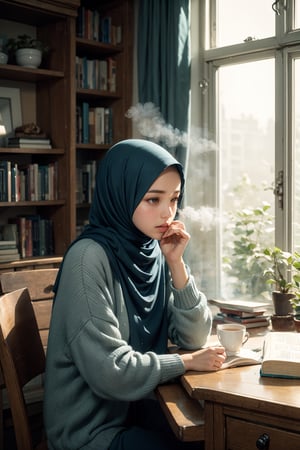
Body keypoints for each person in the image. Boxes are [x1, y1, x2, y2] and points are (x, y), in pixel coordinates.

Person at [44, 139, 226, 450]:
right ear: (122, 193)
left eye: (174, 199)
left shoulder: (150, 249)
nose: (167, 213)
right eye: (153, 199)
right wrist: (185, 363)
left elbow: (194, 336)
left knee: (217, 437)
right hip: (92, 432)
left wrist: (176, 263)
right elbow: (111, 371)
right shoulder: (87, 260)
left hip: (139, 407)